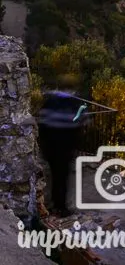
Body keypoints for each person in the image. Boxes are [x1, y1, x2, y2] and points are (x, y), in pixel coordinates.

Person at [37, 85, 87, 217]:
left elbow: (42, 125)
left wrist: (44, 146)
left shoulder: (50, 103)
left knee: (56, 176)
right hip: (66, 148)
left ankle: (55, 204)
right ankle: (61, 207)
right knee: (62, 178)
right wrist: (76, 146)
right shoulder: (73, 104)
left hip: (52, 148)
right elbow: (80, 126)